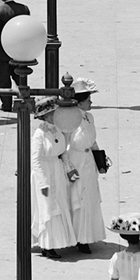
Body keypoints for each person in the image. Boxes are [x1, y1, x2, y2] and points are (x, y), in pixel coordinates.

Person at [50, 80, 104, 252]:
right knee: (75, 198)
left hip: (88, 160)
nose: (91, 103)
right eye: (88, 100)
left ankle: (85, 236)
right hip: (75, 160)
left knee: (89, 198)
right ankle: (76, 237)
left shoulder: (90, 117)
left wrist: (100, 157)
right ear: (80, 101)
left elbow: (92, 139)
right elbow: (64, 144)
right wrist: (68, 166)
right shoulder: (70, 117)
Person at [31, 97, 78, 255]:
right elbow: (35, 160)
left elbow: (63, 151)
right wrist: (42, 183)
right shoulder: (39, 134)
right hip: (45, 172)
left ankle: (56, 242)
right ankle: (46, 245)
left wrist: (69, 168)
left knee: (59, 205)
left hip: (57, 171)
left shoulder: (58, 129)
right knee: (47, 207)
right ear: (45, 115)